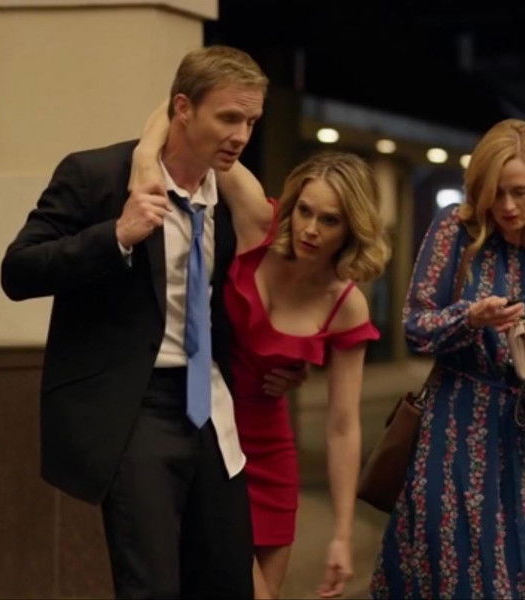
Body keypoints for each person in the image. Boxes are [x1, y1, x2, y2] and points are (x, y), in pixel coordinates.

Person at [1, 45, 302, 600]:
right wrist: (116, 235)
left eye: (251, 122)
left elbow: (248, 299)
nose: (241, 135)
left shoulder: (228, 199)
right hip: (135, 405)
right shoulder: (97, 174)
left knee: (228, 580)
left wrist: (283, 363)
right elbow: (17, 271)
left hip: (211, 407)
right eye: (228, 118)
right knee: (152, 585)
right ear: (182, 108)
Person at [132, 121, 389, 598]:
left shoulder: (346, 304)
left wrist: (341, 534)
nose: (310, 229)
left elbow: (342, 425)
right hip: (207, 435)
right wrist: (145, 161)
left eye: (329, 220)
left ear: (352, 228)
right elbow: (185, 111)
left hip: (270, 453)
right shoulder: (257, 223)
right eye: (305, 211)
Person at [371, 118, 525, 599]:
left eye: (520, 192)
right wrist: (470, 317)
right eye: (496, 192)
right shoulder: (456, 229)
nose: (507, 206)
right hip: (457, 425)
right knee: (454, 568)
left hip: (520, 435)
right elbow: (415, 326)